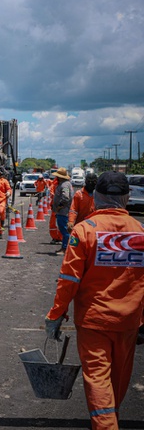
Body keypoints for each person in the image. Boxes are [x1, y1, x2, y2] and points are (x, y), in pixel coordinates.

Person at [45, 171, 144, 430]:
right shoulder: (140, 230)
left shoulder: (85, 231)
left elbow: (69, 280)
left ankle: (105, 424)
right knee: (118, 378)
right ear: (127, 198)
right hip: (129, 321)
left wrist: (56, 315)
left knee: (99, 379)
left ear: (96, 196)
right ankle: (109, 419)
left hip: (94, 321)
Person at [51, 167, 73, 254]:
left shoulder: (64, 185)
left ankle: (65, 249)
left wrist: (59, 207)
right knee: (64, 230)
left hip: (63, 211)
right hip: (63, 211)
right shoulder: (65, 184)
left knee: (65, 231)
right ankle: (64, 248)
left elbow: (65, 197)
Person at [0, 167, 12, 238]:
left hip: (2, 200)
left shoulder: (4, 181)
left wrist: (8, 192)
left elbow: (9, 189)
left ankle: (2, 221)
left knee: (0, 212)